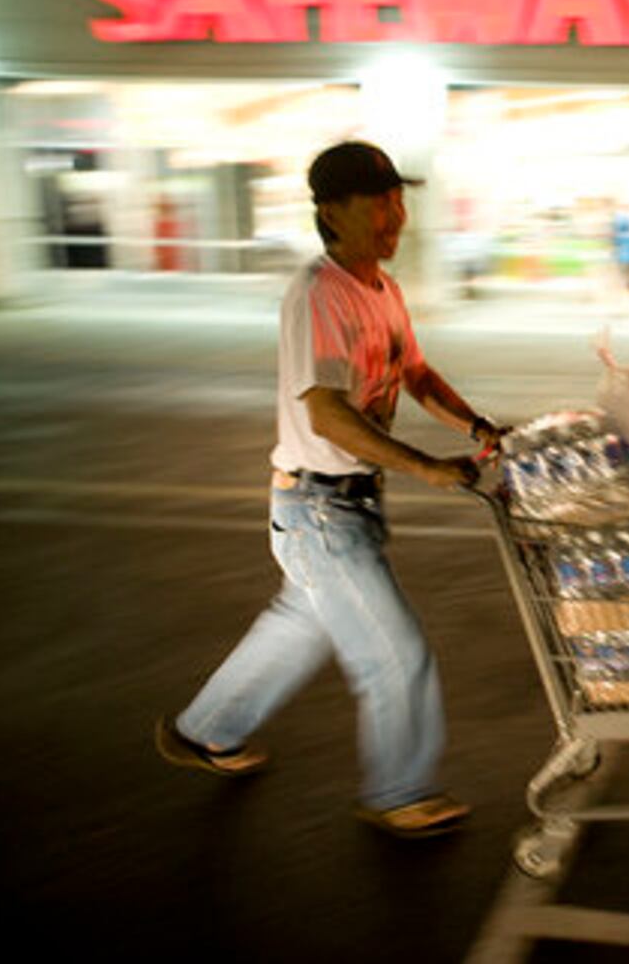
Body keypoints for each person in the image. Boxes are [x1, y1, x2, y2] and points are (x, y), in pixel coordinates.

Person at [155, 141, 503, 839]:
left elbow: (415, 372)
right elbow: (327, 413)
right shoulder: (321, 293)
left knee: (302, 623)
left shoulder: (382, 291)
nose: (395, 215)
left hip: (348, 502)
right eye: (379, 202)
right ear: (332, 212)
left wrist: (475, 426)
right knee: (395, 653)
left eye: (399, 200)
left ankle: (205, 730)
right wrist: (426, 466)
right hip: (318, 508)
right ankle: (400, 792)